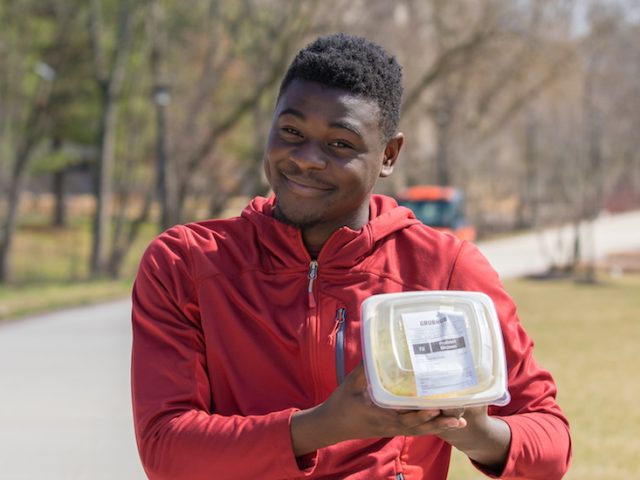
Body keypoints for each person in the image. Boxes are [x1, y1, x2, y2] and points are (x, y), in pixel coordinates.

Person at [131, 33, 571, 480]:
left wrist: (475, 432)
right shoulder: (186, 263)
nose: (306, 159)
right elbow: (166, 451)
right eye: (292, 132)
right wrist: (324, 426)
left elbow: (551, 442)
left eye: (339, 143)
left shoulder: (444, 268)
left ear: (389, 155)